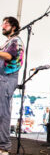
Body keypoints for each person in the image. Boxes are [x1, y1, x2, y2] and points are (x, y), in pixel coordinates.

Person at [0, 17, 24, 155]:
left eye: (6, 24)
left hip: (7, 78)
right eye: (2, 23)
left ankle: (4, 147)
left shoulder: (15, 40)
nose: (3, 26)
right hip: (3, 77)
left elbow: (9, 56)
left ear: (14, 27)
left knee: (3, 114)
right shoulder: (7, 42)